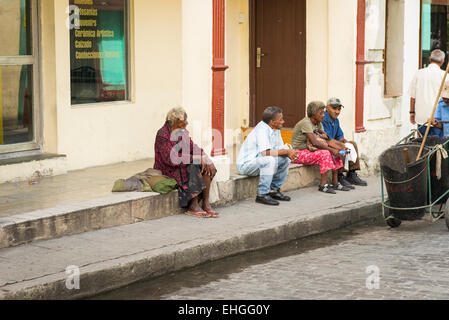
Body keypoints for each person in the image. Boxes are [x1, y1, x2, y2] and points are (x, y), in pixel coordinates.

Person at [154, 107, 219, 218]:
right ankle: (193, 205)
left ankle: (206, 203)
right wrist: (194, 158)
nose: (187, 122)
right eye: (185, 120)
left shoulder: (182, 133)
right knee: (194, 165)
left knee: (205, 165)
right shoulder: (162, 134)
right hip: (167, 168)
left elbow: (193, 147)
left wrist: (206, 158)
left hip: (181, 164)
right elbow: (170, 159)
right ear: (176, 121)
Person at [237, 107, 298, 206]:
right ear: (272, 122)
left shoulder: (275, 129)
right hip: (246, 165)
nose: (283, 121)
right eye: (281, 119)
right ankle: (262, 194)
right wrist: (286, 151)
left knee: (285, 159)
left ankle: (274, 190)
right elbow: (265, 152)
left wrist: (290, 151)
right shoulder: (262, 130)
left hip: (259, 161)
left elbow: (280, 148)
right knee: (269, 160)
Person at [291, 101, 350, 194]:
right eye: (321, 113)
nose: (323, 115)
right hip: (298, 153)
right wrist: (331, 150)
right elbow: (315, 142)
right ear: (313, 114)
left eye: (323, 112)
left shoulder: (318, 123)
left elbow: (326, 139)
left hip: (309, 150)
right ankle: (323, 185)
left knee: (336, 152)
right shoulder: (306, 123)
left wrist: (340, 148)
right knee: (325, 153)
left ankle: (335, 182)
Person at [322, 97, 367, 187]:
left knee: (352, 144)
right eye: (334, 109)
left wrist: (346, 142)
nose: (337, 112)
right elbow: (328, 139)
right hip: (326, 144)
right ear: (327, 108)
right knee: (342, 148)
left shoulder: (336, 120)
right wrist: (342, 144)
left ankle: (352, 173)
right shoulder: (324, 119)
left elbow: (340, 136)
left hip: (334, 142)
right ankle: (339, 175)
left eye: (339, 109)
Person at [409, 49, 446, 126]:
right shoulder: (445, 76)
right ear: (443, 61)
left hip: (421, 118)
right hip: (438, 120)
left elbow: (413, 97)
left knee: (422, 138)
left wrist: (412, 112)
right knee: (437, 138)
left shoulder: (419, 74)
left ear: (429, 59)